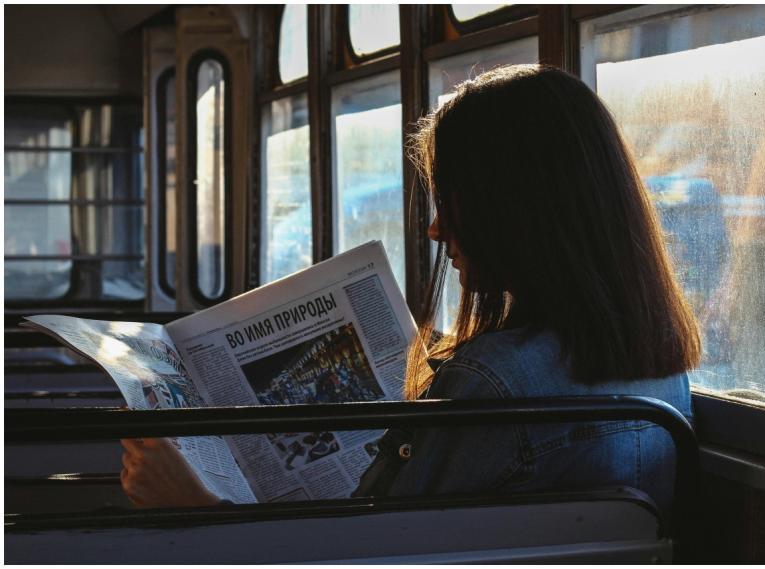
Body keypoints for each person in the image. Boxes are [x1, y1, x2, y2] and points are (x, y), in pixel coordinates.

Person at [120, 65, 700, 519]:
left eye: (450, 202)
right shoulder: (660, 371)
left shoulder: (492, 385)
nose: (435, 229)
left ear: (515, 214)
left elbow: (369, 551)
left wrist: (194, 506)